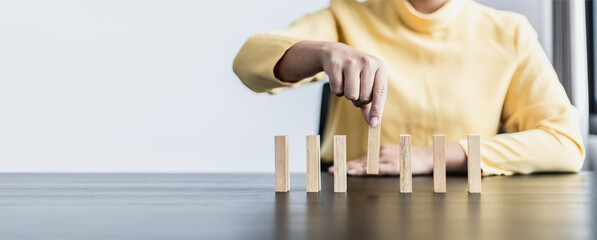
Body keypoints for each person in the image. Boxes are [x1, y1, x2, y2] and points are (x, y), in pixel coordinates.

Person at [232, 0, 585, 176]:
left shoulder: (510, 33)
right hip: (347, 206)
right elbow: (248, 62)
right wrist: (321, 50)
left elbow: (566, 144)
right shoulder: (345, 16)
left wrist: (434, 156)